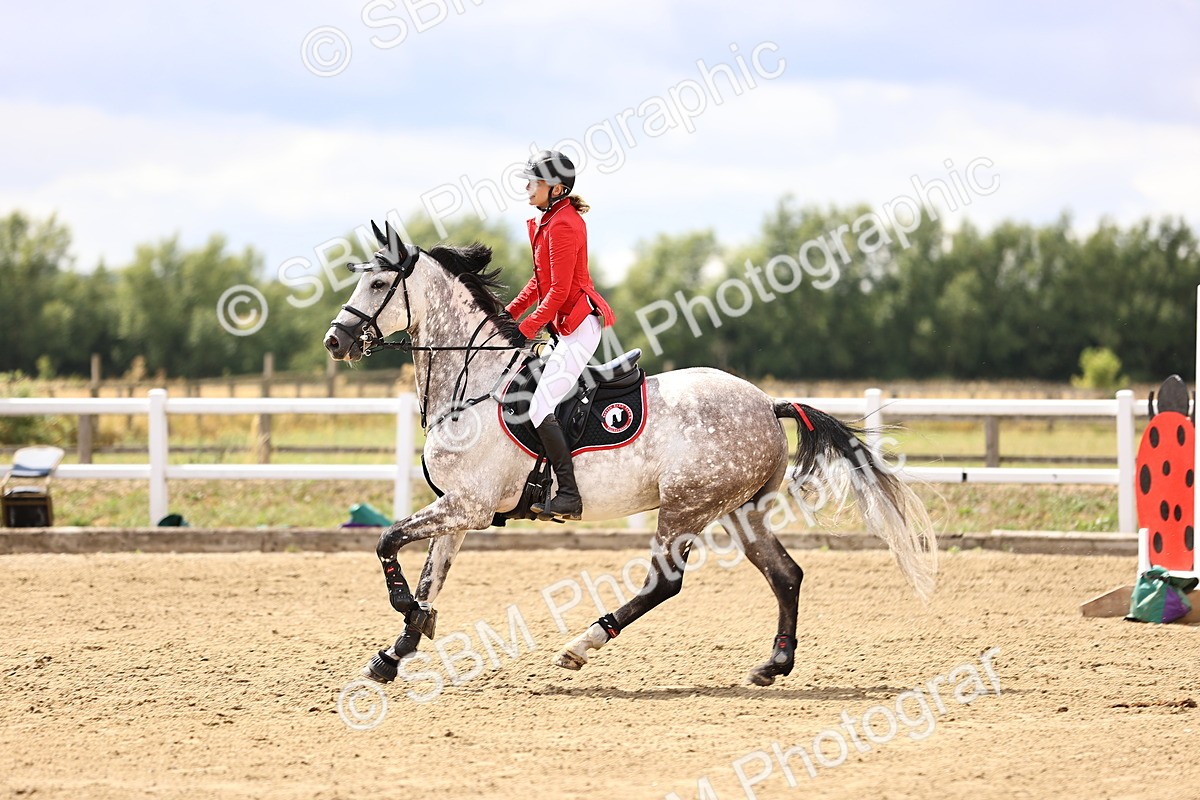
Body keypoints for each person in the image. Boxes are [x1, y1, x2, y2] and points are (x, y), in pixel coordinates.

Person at [506, 149, 616, 521]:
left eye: (533, 182)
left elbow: (558, 292)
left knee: (539, 406)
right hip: (564, 328)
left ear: (555, 188)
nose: (526, 187)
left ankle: (569, 494)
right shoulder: (551, 221)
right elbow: (539, 284)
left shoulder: (565, 224)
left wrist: (524, 329)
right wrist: (505, 317)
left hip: (579, 329)